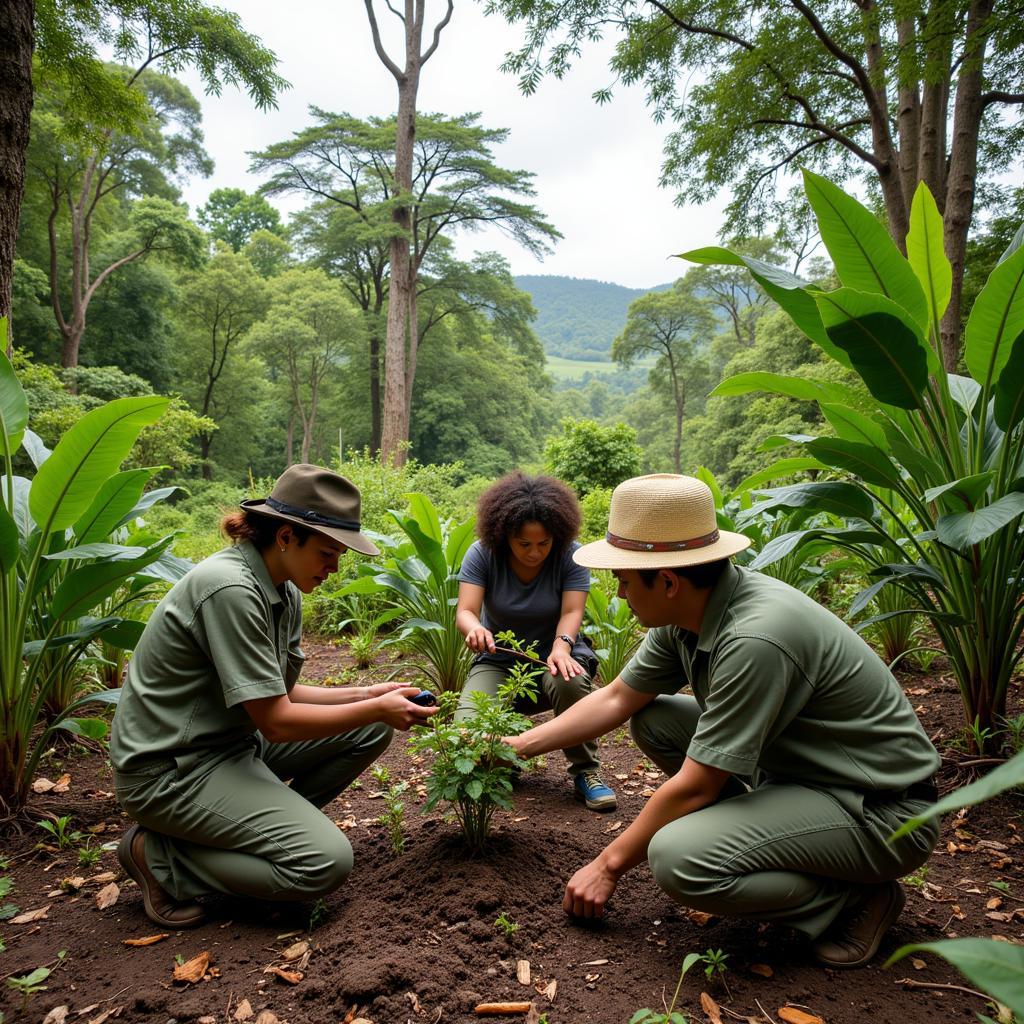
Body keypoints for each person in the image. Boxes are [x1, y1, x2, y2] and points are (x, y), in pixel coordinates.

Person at [503, 473, 941, 968]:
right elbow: (619, 698)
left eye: (624, 580)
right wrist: (515, 744)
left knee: (679, 859)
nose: (621, 594)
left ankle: (854, 900)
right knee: (656, 720)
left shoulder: (755, 637)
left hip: (880, 813)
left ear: (667, 581)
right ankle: (769, 841)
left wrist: (607, 865)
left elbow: (696, 786)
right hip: (805, 775)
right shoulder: (691, 611)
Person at [110, 464, 438, 929]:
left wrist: (368, 694)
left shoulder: (282, 586)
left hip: (229, 744)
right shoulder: (230, 589)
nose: (335, 566)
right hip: (171, 769)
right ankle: (161, 857)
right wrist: (377, 705)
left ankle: (259, 836)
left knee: (368, 726)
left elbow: (277, 691)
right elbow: (277, 721)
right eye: (328, 552)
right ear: (286, 536)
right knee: (324, 864)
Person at [455, 471, 616, 811]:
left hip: (551, 657)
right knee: (466, 736)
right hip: (498, 660)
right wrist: (474, 629)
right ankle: (506, 762)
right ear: (504, 536)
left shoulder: (570, 554)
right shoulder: (483, 553)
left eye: (544, 544)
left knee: (569, 679)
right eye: (524, 544)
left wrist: (561, 647)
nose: (535, 553)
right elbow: (466, 611)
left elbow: (572, 612)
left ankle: (586, 772)